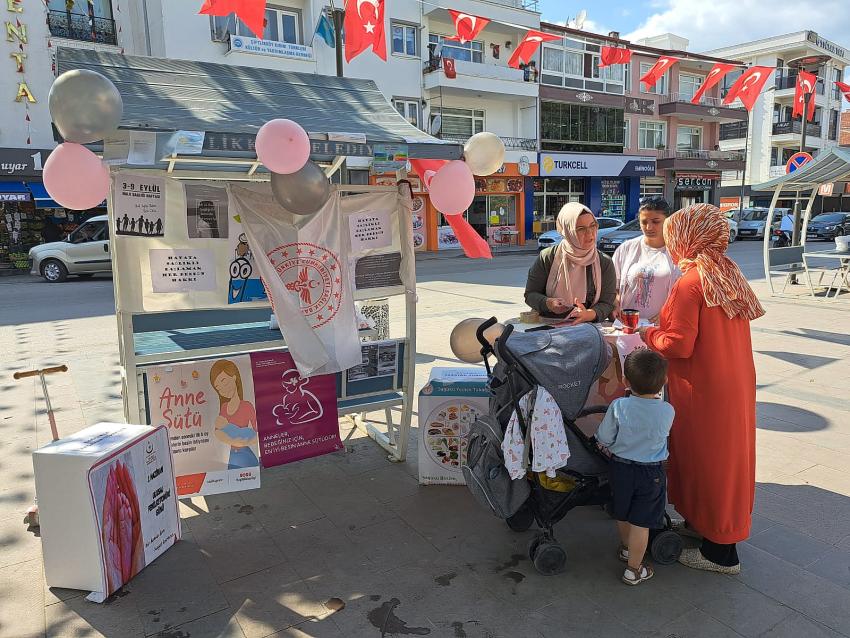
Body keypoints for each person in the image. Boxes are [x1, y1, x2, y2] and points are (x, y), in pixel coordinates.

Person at [638, 203, 764, 574]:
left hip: (703, 390)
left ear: (687, 238)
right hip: (733, 385)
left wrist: (647, 332)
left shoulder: (690, 282)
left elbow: (677, 345)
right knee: (723, 462)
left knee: (708, 463)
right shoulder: (727, 274)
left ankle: (721, 552)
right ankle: (702, 525)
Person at [596, 349, 674, 586]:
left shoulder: (619, 406)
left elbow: (604, 437)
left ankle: (627, 550)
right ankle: (634, 570)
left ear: (625, 381)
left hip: (620, 468)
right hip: (651, 473)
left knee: (623, 512)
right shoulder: (667, 410)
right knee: (642, 522)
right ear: (665, 381)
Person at [524, 202, 617, 323]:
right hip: (549, 327)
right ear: (567, 231)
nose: (590, 234)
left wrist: (588, 314)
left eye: (592, 226)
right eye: (581, 229)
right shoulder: (548, 257)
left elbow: (607, 302)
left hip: (588, 330)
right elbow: (530, 295)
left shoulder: (604, 262)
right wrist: (548, 303)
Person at [613, 198, 680, 324]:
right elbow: (613, 286)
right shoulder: (626, 249)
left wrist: (669, 312)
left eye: (656, 222)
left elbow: (685, 295)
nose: (649, 227)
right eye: (644, 222)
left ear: (668, 222)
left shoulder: (679, 252)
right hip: (627, 324)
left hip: (663, 327)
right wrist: (615, 302)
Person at [210, 360, 259, 470]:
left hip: (245, 454)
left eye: (224, 381)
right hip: (232, 455)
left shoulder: (246, 406)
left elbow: (258, 432)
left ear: (234, 377)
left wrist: (244, 442)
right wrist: (232, 441)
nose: (222, 388)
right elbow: (217, 431)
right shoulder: (224, 407)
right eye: (218, 387)